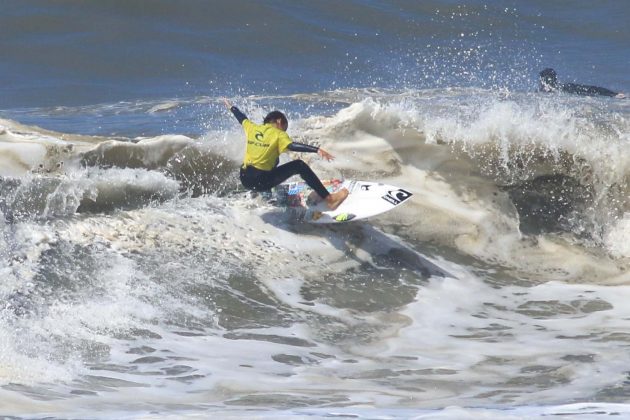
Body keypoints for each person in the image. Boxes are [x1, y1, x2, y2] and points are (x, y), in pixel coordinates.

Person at [223, 98, 349, 210]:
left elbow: (241, 117)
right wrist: (317, 150)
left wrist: (231, 107)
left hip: (245, 179)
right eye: (285, 127)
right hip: (260, 182)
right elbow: (291, 145)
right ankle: (330, 200)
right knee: (298, 165)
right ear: (279, 121)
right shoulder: (279, 134)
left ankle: (265, 194)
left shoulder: (252, 127)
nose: (285, 131)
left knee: (273, 159)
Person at [539, 68, 626, 99]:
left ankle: (613, 94)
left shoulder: (539, 94)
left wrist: (613, 94)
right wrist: (613, 94)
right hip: (587, 98)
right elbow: (593, 89)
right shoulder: (565, 86)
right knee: (591, 89)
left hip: (584, 99)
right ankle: (614, 94)